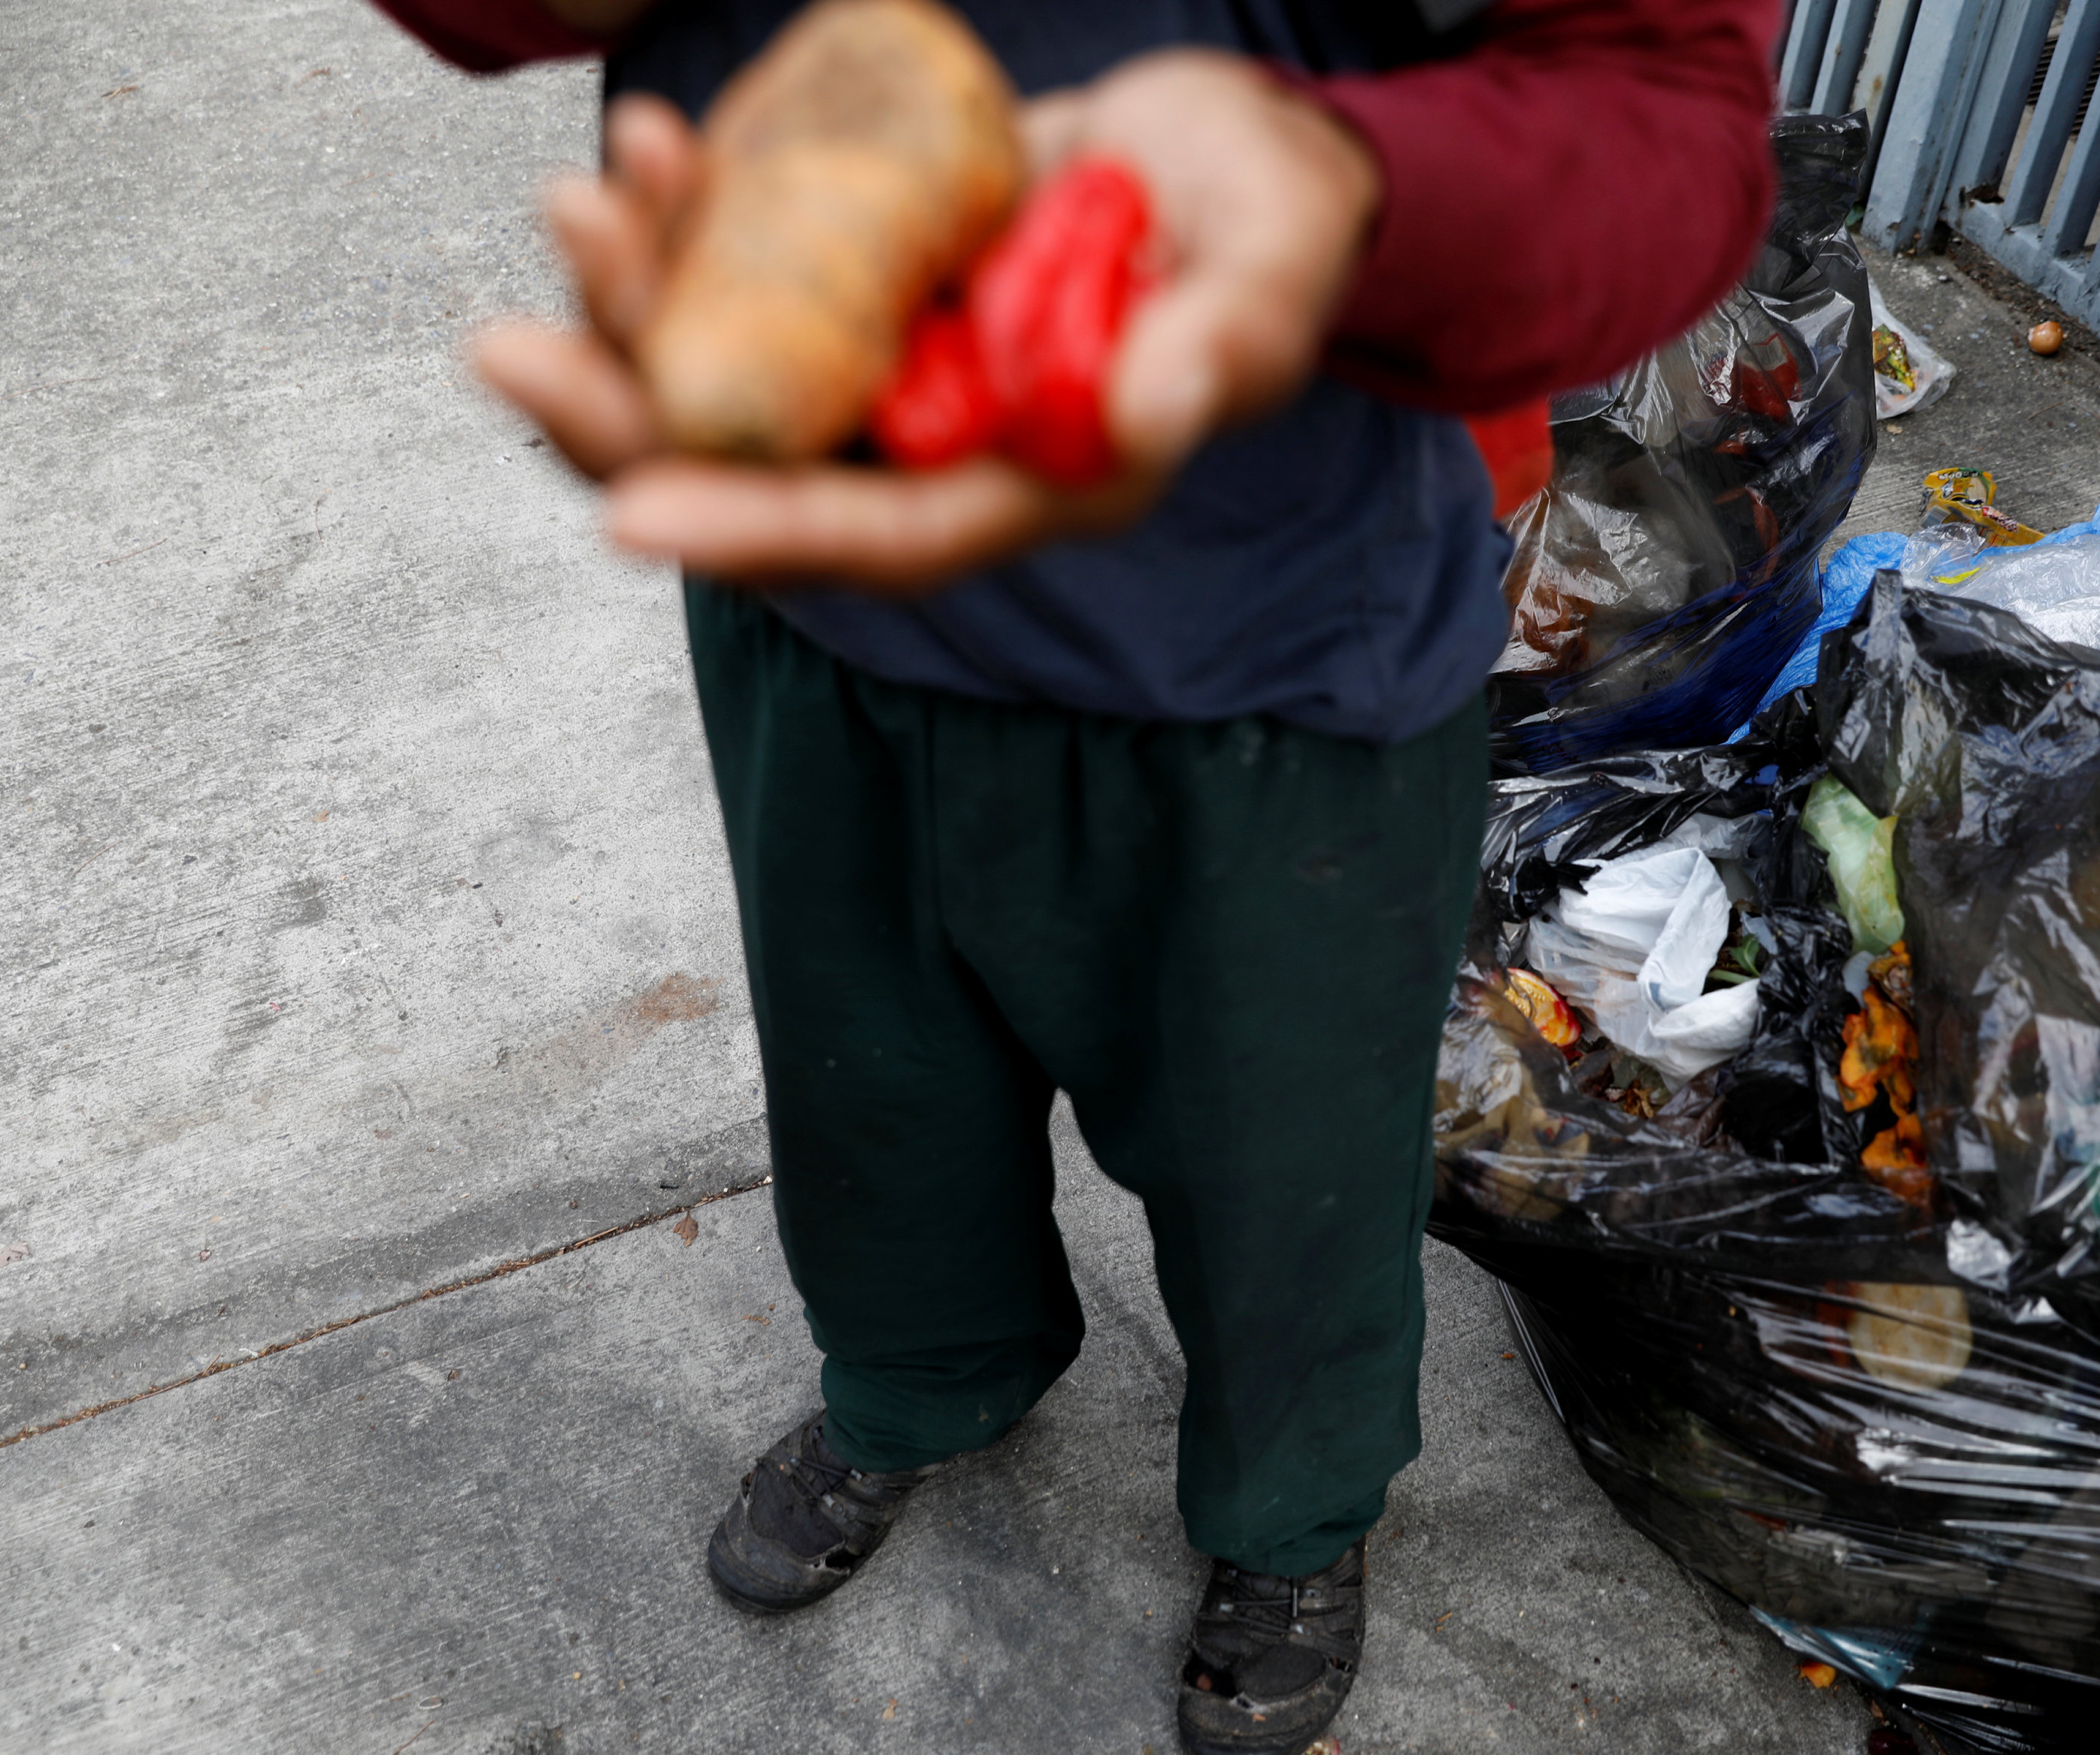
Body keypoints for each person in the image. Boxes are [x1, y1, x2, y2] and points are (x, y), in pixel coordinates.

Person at [367, 2, 1778, 1748]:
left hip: (1274, 623)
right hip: (822, 565)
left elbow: (1654, 110)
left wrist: (1331, 192)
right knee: (868, 1073)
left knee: (1284, 1152)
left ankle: (1292, 1510)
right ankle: (924, 1374)